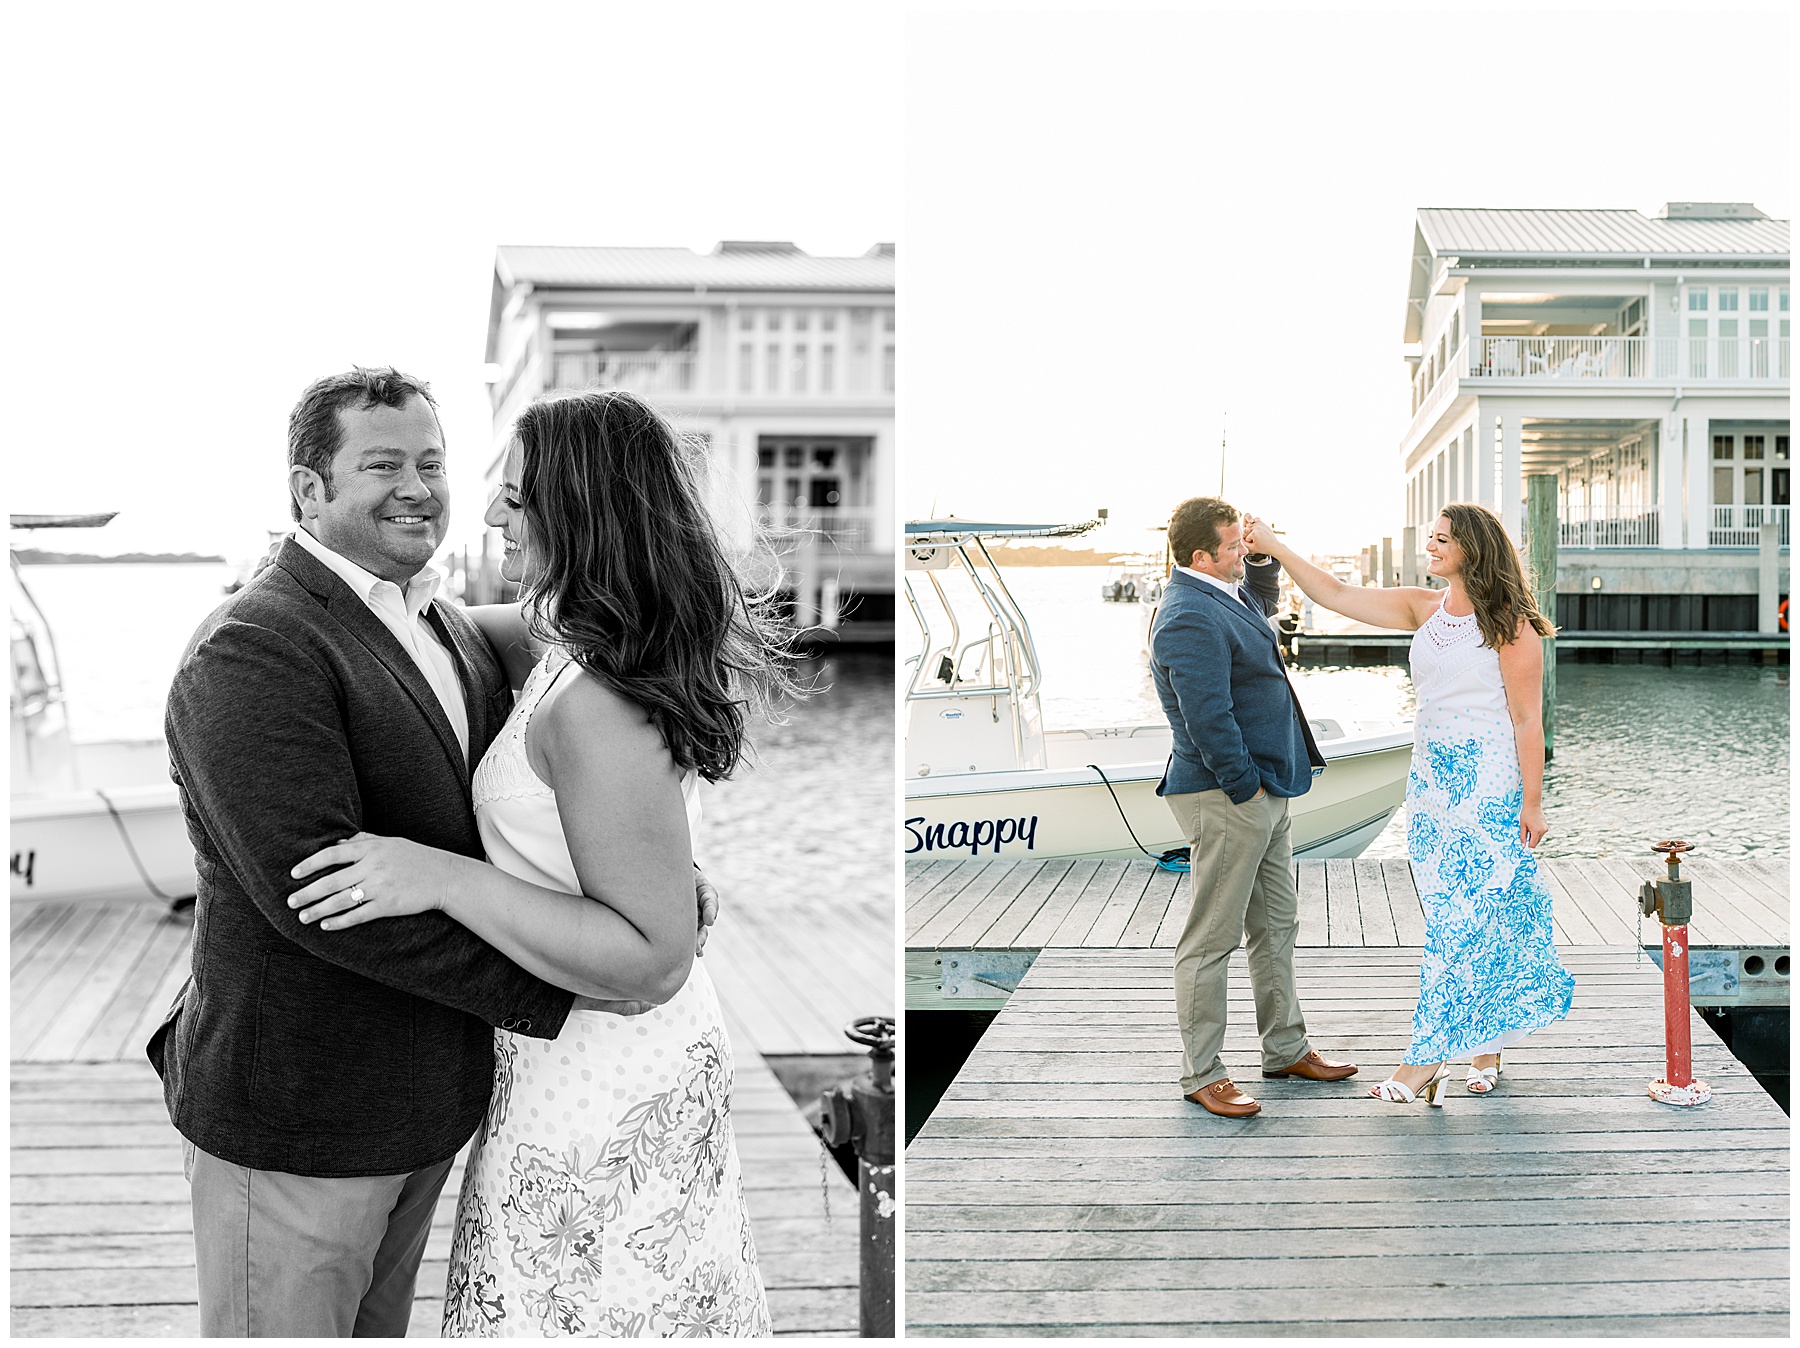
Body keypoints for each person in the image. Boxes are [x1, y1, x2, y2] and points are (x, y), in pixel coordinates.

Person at [151, 368, 715, 1337]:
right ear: (309, 491)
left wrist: (664, 871)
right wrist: (587, 980)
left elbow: (612, 672)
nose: (421, 486)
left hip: (431, 1099)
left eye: (432, 461)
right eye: (382, 464)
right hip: (304, 1107)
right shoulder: (254, 647)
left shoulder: (453, 626)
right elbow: (318, 898)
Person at [286, 389, 793, 1336]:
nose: (485, 516)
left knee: (589, 1310)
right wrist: (296, 617)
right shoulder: (561, 641)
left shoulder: (597, 701)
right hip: (552, 1045)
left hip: (606, 1063)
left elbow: (653, 958)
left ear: (582, 511)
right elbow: (425, 639)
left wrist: (437, 875)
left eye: (515, 499)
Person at [1244, 504, 1575, 1105]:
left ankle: (1424, 1061)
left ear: (1473, 549)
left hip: (1487, 787)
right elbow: (1337, 592)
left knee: (1464, 918)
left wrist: (1533, 802)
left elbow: (1529, 721)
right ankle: (1487, 1047)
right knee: (1469, 917)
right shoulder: (1424, 608)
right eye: (1432, 537)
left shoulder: (1511, 627)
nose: (1432, 546)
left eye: (1443, 539)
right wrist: (1277, 548)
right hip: (1430, 786)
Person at [1149, 496, 1355, 1120]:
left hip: (1264, 789)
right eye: (1235, 545)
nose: (1244, 551)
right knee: (1211, 938)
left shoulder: (1221, 592)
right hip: (1226, 794)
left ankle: (1285, 1047)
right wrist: (1245, 787)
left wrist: (1261, 558)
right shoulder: (1186, 615)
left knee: (1277, 924)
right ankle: (1202, 1074)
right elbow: (1205, 716)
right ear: (1199, 556)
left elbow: (1259, 612)